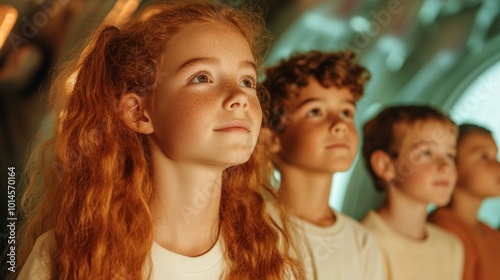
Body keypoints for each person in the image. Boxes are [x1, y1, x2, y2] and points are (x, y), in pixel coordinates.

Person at [16, 1, 304, 279]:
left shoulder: (272, 260)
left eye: (247, 81)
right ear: (139, 112)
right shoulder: (64, 259)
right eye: (202, 77)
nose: (240, 97)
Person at [262, 50, 385, 280]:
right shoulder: (253, 228)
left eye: (347, 112)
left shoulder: (362, 242)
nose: (339, 124)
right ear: (273, 139)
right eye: (315, 111)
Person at [361, 105, 464, 280]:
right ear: (385, 166)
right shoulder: (363, 243)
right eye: (426, 153)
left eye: (449, 155)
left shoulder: (451, 247)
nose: (445, 166)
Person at [429, 123, 500, 280]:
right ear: (451, 165)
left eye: (496, 157)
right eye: (483, 157)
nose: (497, 166)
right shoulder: (445, 230)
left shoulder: (492, 234)